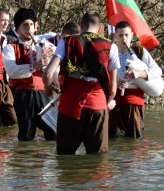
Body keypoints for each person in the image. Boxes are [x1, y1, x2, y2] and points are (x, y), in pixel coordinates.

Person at [43, 11, 119, 155]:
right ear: (100, 27)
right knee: (98, 159)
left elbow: (47, 74)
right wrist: (106, 103)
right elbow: (113, 89)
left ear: (81, 25)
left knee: (65, 156)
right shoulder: (111, 46)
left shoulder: (66, 41)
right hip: (97, 106)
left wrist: (47, 90)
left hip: (69, 106)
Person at [3, 8, 56, 141]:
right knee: (26, 134)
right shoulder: (10, 48)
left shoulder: (44, 45)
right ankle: (26, 159)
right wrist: (33, 66)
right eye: (25, 25)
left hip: (43, 93)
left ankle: (49, 160)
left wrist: (48, 61)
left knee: (54, 130)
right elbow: (12, 71)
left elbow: (56, 68)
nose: (29, 28)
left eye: (31, 25)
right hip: (24, 95)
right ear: (17, 29)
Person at [109, 21, 162, 138]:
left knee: (134, 142)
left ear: (131, 35)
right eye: (120, 35)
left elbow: (157, 71)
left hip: (134, 102)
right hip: (114, 102)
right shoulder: (110, 52)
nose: (124, 38)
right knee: (113, 139)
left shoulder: (139, 51)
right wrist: (116, 83)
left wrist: (139, 74)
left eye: (126, 35)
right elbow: (104, 74)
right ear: (115, 36)